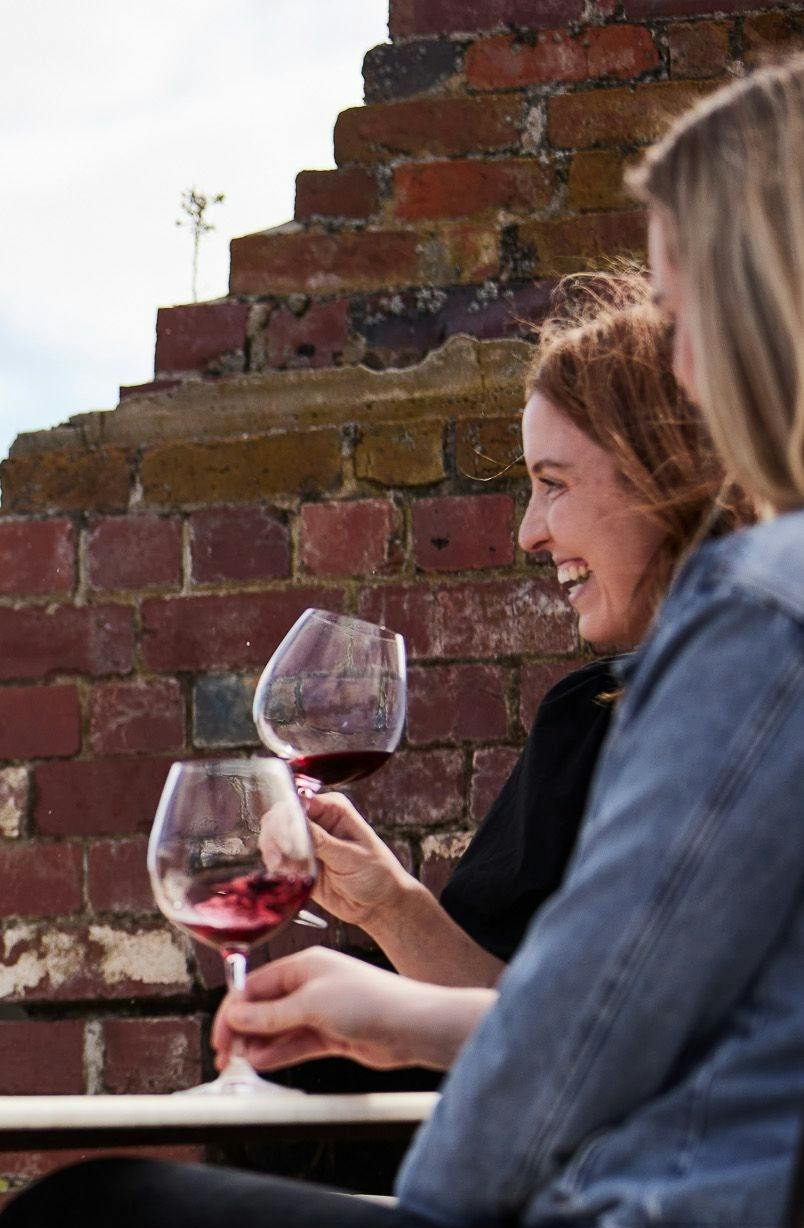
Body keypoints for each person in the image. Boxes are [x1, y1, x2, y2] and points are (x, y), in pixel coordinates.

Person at [0, 58, 804, 1228]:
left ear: (763, 316)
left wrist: (428, 1223)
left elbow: (564, 1067)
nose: (681, 361)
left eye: (689, 318)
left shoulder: (762, 619)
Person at [300, 271, 742, 990]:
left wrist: (378, 1017)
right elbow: (528, 1023)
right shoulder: (590, 723)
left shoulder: (762, 724)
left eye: (554, 484)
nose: (529, 532)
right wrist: (390, 908)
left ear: (667, 475)